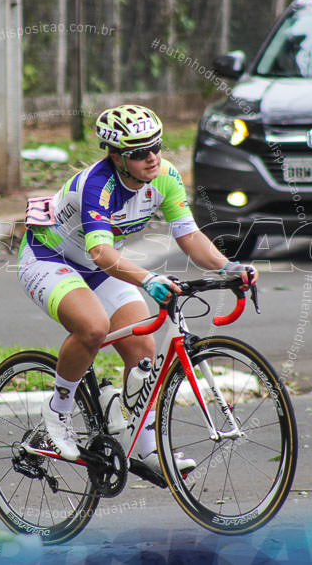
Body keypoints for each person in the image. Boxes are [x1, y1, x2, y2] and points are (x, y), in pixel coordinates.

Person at [18, 105, 255, 476]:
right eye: (139, 152)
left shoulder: (165, 176)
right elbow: (100, 252)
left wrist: (228, 268)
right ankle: (58, 413)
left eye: (156, 147)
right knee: (93, 327)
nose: (152, 157)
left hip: (98, 264)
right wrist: (148, 279)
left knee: (143, 349)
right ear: (116, 156)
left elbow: (189, 236)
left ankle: (147, 451)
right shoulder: (98, 184)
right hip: (49, 257)